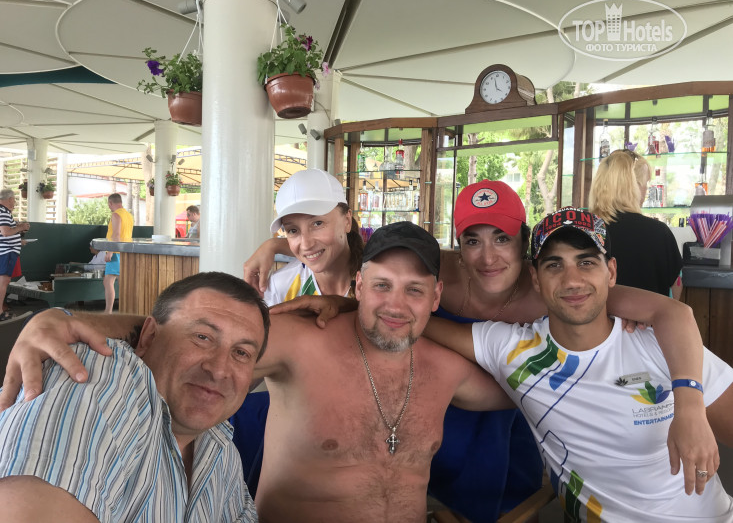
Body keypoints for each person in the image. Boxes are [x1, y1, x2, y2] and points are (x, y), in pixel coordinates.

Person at [0, 222, 720, 520]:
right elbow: (191, 339)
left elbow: (565, 381)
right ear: (355, 287)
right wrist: (60, 322)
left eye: (413, 290)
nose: (395, 305)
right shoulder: (300, 339)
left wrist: (643, 344)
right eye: (380, 287)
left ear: (435, 299)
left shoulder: (454, 369)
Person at [241, 179, 715, 521]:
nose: (488, 257)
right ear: (458, 251)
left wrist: (687, 405)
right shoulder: (440, 279)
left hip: (503, 405)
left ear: (525, 248)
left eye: (502, 239)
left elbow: (670, 313)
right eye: (473, 241)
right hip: (445, 378)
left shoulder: (557, 294)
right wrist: (304, 268)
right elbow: (380, 279)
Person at [423, 208, 733, 521]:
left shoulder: (664, 347)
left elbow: (676, 315)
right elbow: (419, 325)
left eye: (586, 262)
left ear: (611, 272)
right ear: (536, 278)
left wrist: (690, 409)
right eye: (554, 265)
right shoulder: (513, 350)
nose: (572, 280)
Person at [0, 272, 268, 522]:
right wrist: (57, 317)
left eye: (241, 353)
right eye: (202, 337)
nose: (219, 370)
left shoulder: (222, 451)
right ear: (149, 336)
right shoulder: (100, 382)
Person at [248, 168, 363, 306]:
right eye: (293, 230)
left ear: (347, 221)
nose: (306, 245)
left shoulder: (376, 278)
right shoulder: (279, 287)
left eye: (317, 223)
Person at [590, 149, 682, 298]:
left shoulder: (583, 230)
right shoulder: (659, 232)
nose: (646, 190)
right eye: (645, 184)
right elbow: (675, 289)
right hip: (650, 313)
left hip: (595, 313)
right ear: (634, 187)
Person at [0, 189, 30, 321]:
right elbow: (5, 232)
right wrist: (20, 227)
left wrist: (18, 240)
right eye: (14, 199)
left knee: (3, 281)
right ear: (9, 199)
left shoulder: (4, 212)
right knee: (3, 281)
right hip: (6, 252)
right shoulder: (3, 212)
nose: (15, 202)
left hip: (5, 251)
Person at [103, 193, 133, 313]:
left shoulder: (116, 215)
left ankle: (108, 311)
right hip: (126, 252)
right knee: (122, 283)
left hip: (116, 252)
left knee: (108, 282)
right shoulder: (129, 215)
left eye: (108, 204)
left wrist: (110, 252)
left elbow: (116, 235)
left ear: (110, 203)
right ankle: (125, 310)